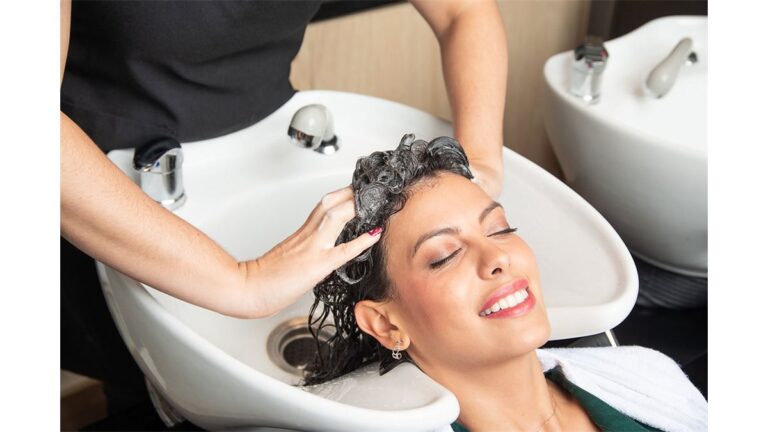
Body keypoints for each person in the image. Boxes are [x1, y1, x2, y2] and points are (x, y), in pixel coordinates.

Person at [60, 0, 509, 415]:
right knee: (139, 384)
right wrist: (245, 283)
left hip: (274, 134)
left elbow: (462, 12)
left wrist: (480, 164)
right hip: (93, 183)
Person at [306, 135, 708, 431]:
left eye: (500, 229)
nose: (497, 257)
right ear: (386, 324)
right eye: (445, 255)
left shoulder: (651, 376)